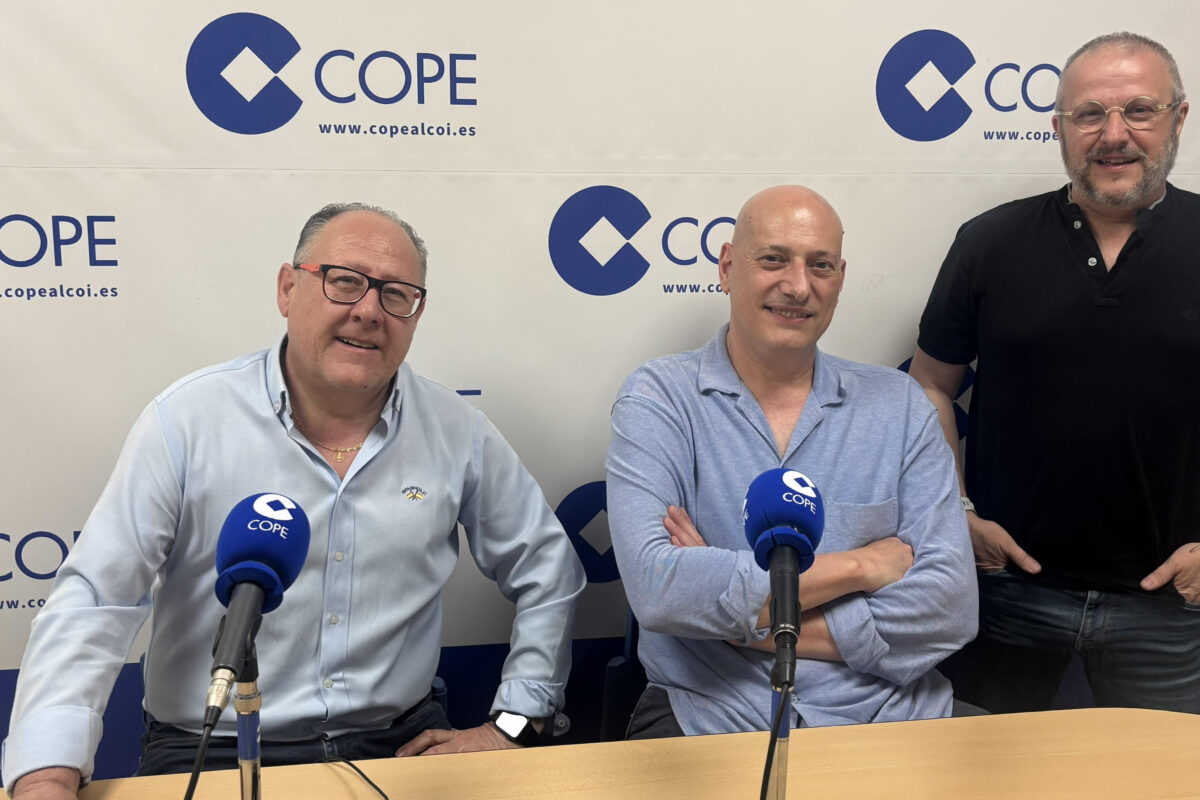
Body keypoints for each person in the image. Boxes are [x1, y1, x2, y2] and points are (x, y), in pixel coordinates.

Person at [2, 203, 586, 798]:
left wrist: (515, 724)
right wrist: (45, 772)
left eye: (396, 295)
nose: (369, 311)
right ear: (288, 288)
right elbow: (97, 597)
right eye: (345, 281)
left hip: (398, 743)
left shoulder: (457, 431)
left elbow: (547, 568)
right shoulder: (187, 421)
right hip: (210, 745)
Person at [606, 185, 976, 738]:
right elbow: (660, 589)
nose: (798, 286)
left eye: (820, 265)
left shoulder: (900, 407)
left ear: (840, 279)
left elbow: (950, 607)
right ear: (727, 267)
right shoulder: (659, 399)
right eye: (774, 259)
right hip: (714, 716)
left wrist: (736, 620)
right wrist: (859, 567)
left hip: (892, 717)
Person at [909, 32, 1200, 714]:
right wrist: (957, 514)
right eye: (1089, 114)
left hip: (1170, 608)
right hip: (1006, 590)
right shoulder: (989, 241)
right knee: (985, 767)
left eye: (1140, 110)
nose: (1114, 135)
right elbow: (930, 384)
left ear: (1179, 118)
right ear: (1059, 128)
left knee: (1160, 772)